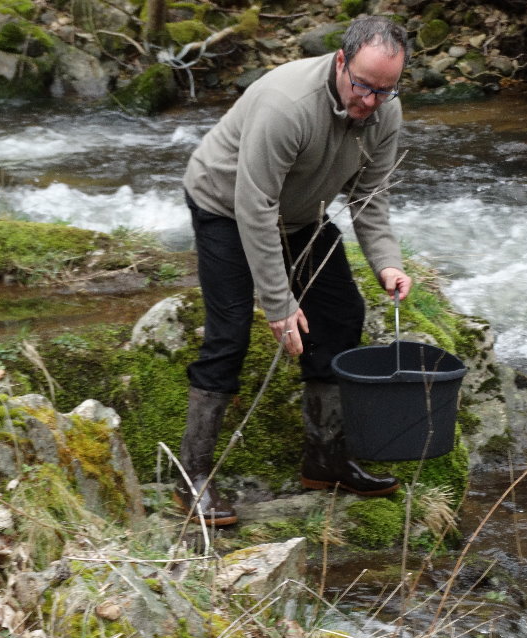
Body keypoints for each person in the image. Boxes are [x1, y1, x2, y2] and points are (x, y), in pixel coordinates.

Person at [174, 16, 414, 526]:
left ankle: (325, 459)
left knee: (341, 313)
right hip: (224, 203)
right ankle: (191, 474)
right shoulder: (288, 105)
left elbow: (370, 199)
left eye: (385, 91)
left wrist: (388, 263)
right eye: (363, 86)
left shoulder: (384, 110)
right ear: (341, 61)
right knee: (230, 331)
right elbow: (254, 206)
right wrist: (280, 305)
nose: (370, 101)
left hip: (301, 213)